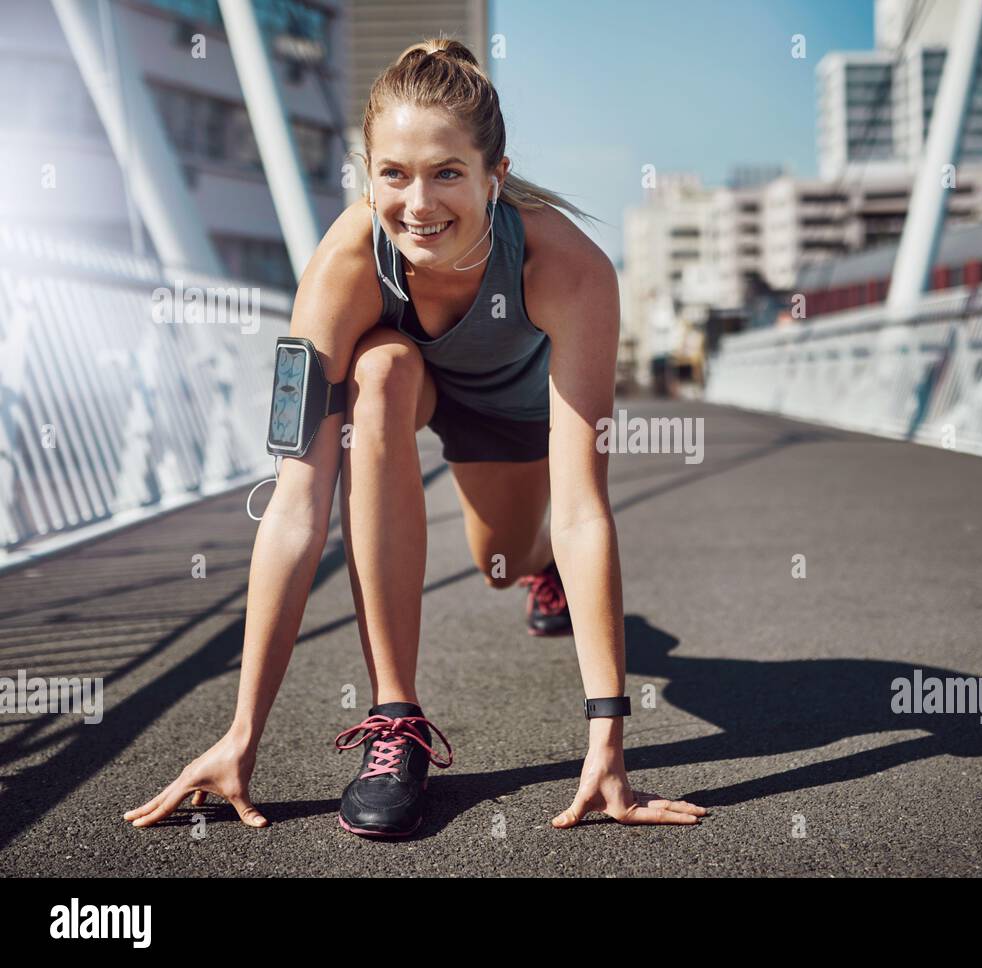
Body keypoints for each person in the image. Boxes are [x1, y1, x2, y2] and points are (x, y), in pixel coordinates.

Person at [124, 37, 707, 838]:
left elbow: (582, 508)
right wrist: (240, 733)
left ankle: (537, 572)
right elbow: (296, 504)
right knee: (383, 370)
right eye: (393, 174)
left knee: (504, 558)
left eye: (447, 174)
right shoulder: (341, 267)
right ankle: (395, 722)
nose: (419, 203)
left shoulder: (566, 267)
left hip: (512, 414)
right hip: (413, 387)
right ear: (367, 174)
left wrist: (607, 738)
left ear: (494, 176)